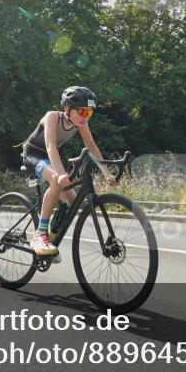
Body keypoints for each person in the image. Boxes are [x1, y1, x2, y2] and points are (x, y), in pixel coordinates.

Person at [20, 86, 117, 258]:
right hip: (33, 155)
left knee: (74, 201)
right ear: (67, 108)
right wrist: (61, 173)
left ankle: (51, 237)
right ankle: (40, 234)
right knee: (58, 179)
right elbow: (50, 146)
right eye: (81, 111)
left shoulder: (81, 123)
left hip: (50, 158)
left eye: (89, 113)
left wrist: (107, 173)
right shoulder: (52, 117)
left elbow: (92, 147)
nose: (85, 116)